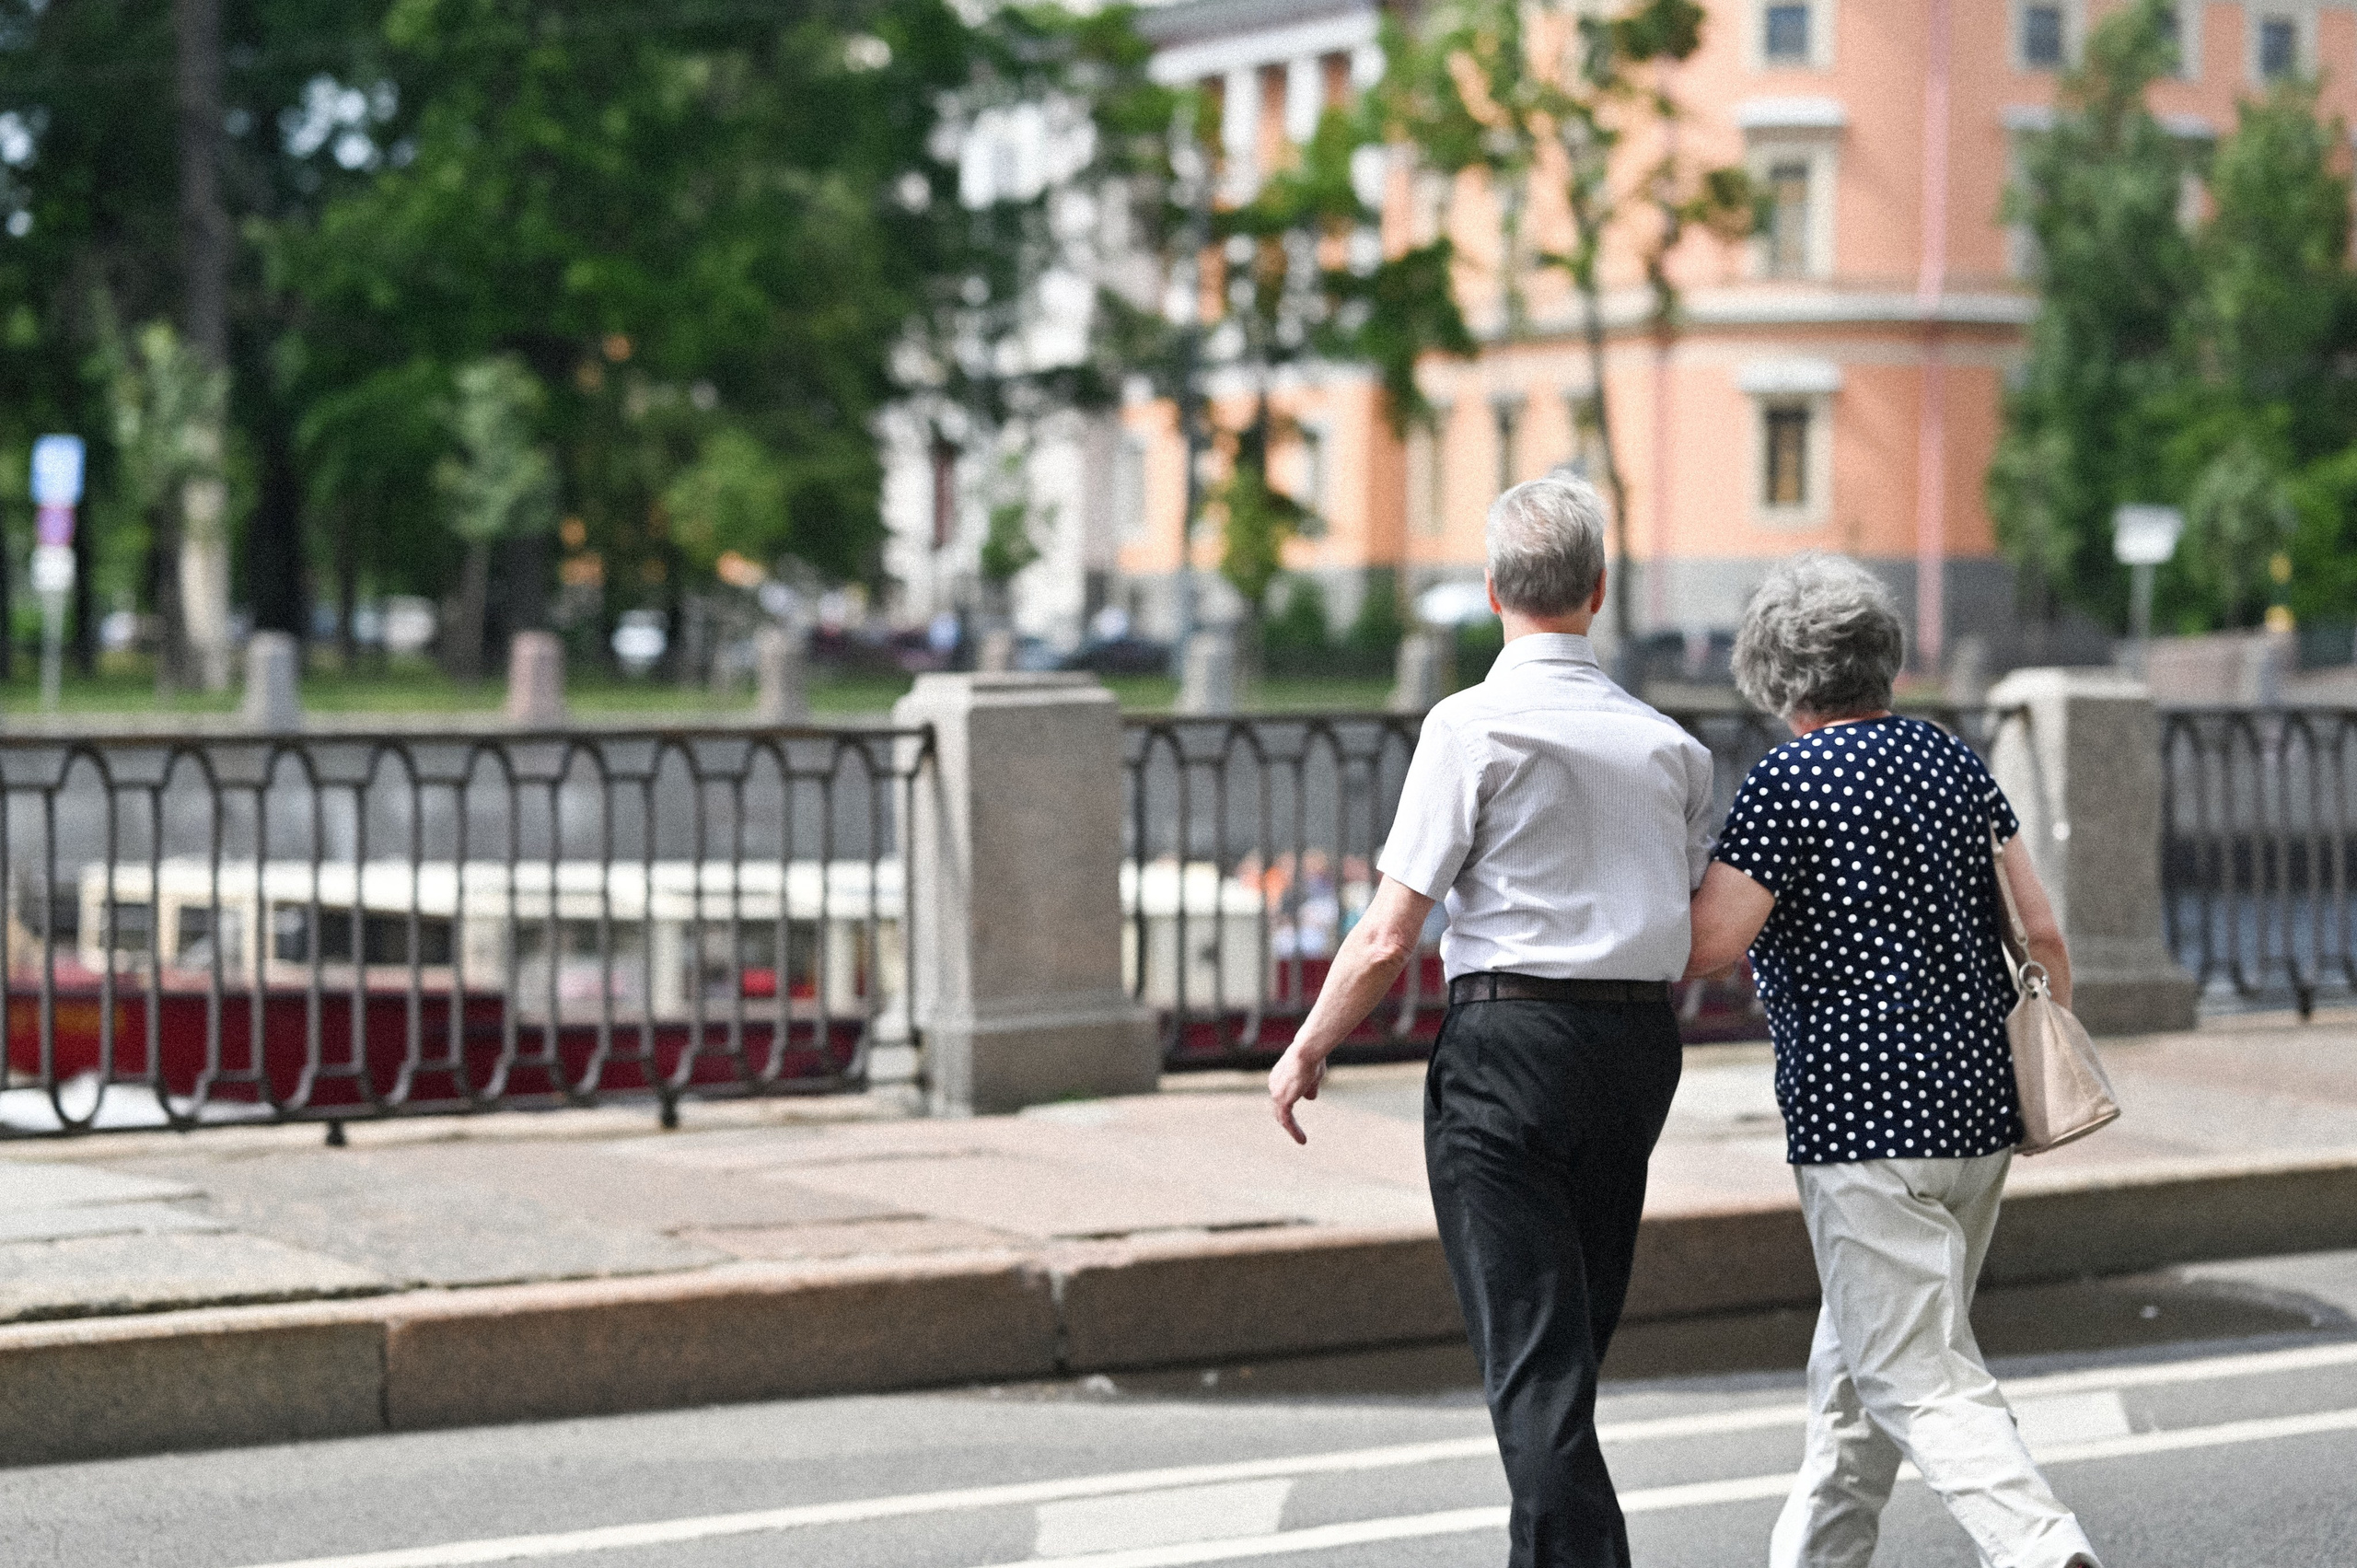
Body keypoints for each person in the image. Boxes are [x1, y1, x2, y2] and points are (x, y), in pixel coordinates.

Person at [1269, 475, 1715, 1568]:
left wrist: (1308, 1040)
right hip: (1633, 1050)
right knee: (1568, 1342)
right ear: (1597, 592)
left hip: (1506, 1047)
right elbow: (1692, 916)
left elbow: (1387, 932)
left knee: (1531, 1355)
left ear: (1490, 591)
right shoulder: (1670, 747)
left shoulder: (1468, 727)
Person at [1685, 552, 2101, 1568]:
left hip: (1862, 1127)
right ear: (1882, 659)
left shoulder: (1789, 780)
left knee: (1916, 1374)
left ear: (1779, 679)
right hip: (1977, 1115)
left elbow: (1707, 943)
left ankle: (2045, 1550)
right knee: (1856, 1386)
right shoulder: (1953, 760)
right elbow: (2041, 935)